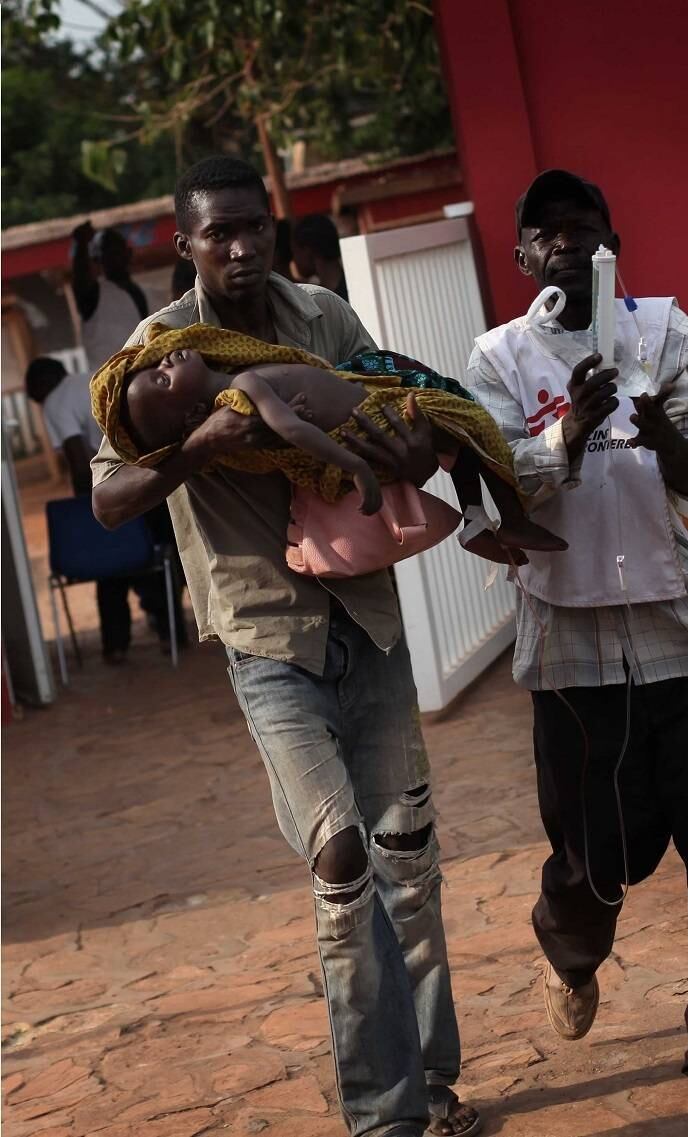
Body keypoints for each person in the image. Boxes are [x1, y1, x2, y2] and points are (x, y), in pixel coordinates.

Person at [91, 155, 481, 1137]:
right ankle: (382, 1119)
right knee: (343, 865)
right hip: (268, 639)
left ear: (272, 227)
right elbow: (107, 498)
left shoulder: (324, 319)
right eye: (216, 232)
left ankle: (434, 1087)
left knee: (408, 860)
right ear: (184, 245)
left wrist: (412, 450)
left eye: (251, 226)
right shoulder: (158, 351)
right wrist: (199, 449)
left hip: (370, 618)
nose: (238, 245)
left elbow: (410, 415)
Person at [465, 169, 688, 1113]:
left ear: (615, 245)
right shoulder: (498, 358)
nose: (570, 243)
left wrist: (657, 431)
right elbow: (501, 490)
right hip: (571, 658)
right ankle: (570, 950)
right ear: (524, 255)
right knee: (592, 856)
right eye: (549, 232)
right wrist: (568, 430)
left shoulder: (668, 334)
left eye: (588, 229)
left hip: (680, 637)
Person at [90, 324, 567, 562]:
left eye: (159, 367)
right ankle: (514, 516)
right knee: (471, 420)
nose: (165, 362)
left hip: (380, 405)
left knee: (454, 421)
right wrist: (356, 467)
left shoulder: (240, 363)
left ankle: (476, 519)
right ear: (194, 416)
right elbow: (297, 431)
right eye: (163, 380)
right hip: (371, 420)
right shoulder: (244, 390)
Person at [25, 356, 183, 663]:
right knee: (153, 558)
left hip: (116, 488)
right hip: (152, 477)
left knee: (111, 569)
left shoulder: (55, 401)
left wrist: (93, 511)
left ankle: (116, 645)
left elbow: (78, 463)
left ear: (44, 383)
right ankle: (171, 634)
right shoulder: (95, 376)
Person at [70, 222, 150, 371]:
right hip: (111, 384)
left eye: (116, 250)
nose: (113, 257)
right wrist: (81, 244)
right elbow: (81, 280)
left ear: (128, 253)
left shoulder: (150, 294)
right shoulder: (93, 296)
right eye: (106, 252)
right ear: (97, 260)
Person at [291, 212, 349, 300]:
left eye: (295, 252)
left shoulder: (316, 299)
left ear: (307, 250)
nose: (294, 259)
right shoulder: (354, 284)